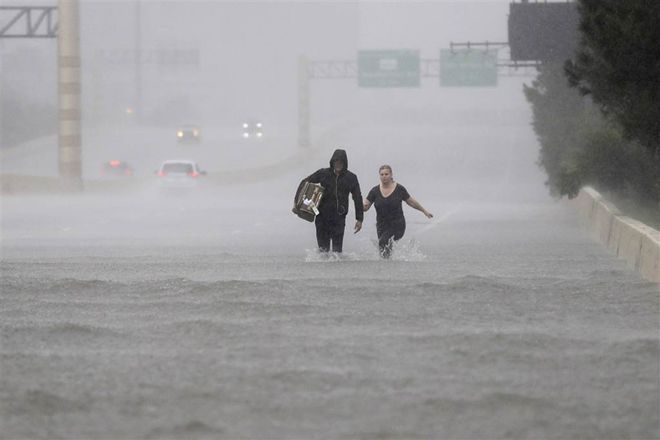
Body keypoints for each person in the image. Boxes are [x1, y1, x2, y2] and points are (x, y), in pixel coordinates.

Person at [293, 149, 363, 253]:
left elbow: (357, 198)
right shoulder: (323, 173)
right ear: (332, 161)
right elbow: (305, 182)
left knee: (337, 252)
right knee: (323, 251)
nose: (338, 163)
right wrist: (297, 202)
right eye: (336, 161)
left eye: (341, 161)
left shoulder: (351, 178)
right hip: (321, 216)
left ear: (345, 163)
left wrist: (359, 219)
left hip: (339, 218)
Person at [363, 165, 433, 258]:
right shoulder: (374, 191)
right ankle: (389, 264)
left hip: (397, 224)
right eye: (382, 174)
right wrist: (362, 206)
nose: (384, 176)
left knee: (384, 242)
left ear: (391, 175)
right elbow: (366, 206)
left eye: (386, 174)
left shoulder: (399, 189)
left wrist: (424, 211)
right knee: (384, 246)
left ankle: (386, 264)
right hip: (381, 226)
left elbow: (411, 201)